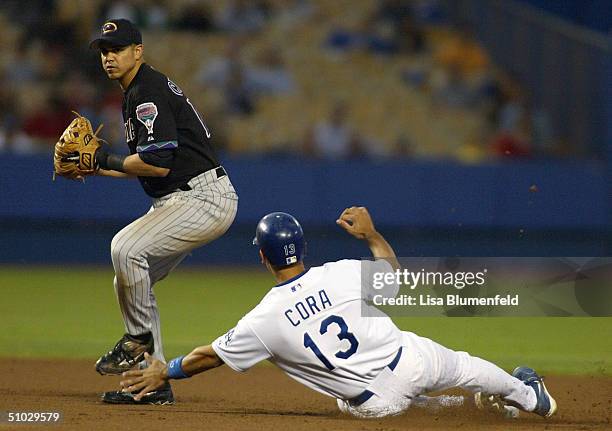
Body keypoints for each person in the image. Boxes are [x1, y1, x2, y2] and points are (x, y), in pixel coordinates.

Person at [118, 206, 557, 419]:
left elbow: (208, 356)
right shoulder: (342, 272)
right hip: (411, 361)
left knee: (402, 407)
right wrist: (371, 234)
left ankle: (480, 410)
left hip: (374, 406)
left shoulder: (262, 322)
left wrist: (165, 371)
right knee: (464, 366)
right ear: (302, 249)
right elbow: (393, 275)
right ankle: (530, 398)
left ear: (263, 259)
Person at [88, 19, 239, 404]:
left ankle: (137, 341)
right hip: (184, 198)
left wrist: (104, 157)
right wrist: (95, 167)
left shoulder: (146, 89)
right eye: (105, 51)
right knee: (131, 278)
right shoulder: (137, 89)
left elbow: (159, 163)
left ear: (137, 51)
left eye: (117, 49)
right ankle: (152, 382)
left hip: (202, 198)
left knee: (125, 248)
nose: (109, 57)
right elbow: (145, 164)